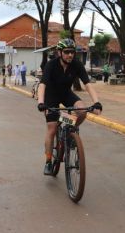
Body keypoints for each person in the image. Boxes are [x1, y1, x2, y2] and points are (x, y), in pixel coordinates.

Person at [37, 38, 102, 175]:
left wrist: (97, 102)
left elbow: (88, 84)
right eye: (67, 52)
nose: (70, 55)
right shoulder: (51, 65)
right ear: (60, 52)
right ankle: (48, 161)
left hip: (66, 94)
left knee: (83, 111)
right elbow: (42, 85)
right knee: (52, 128)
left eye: (72, 52)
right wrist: (41, 103)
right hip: (51, 96)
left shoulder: (76, 64)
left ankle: (69, 129)